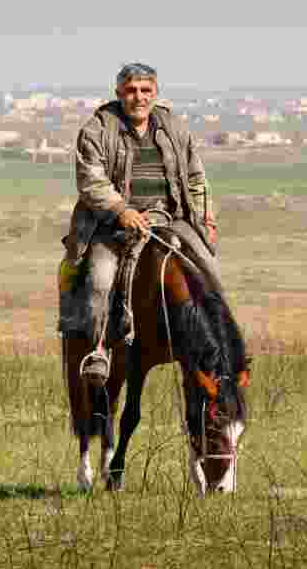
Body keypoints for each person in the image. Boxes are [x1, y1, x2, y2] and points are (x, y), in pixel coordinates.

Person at [58, 62, 219, 382]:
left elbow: (196, 177)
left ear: (156, 94)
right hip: (111, 225)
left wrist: (205, 219)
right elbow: (91, 180)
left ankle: (216, 348)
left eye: (146, 91)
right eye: (131, 91)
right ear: (119, 93)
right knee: (101, 278)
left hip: (169, 218)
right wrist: (121, 210)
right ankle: (99, 348)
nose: (139, 97)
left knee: (210, 272)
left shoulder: (174, 128)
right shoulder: (98, 129)